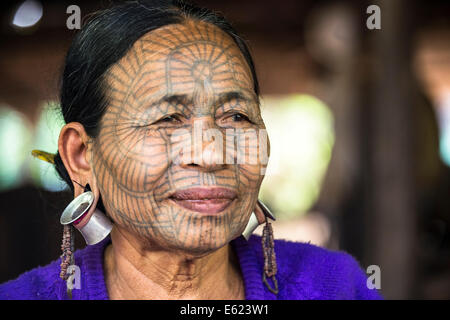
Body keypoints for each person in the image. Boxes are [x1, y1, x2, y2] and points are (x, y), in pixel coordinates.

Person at [0, 0, 382, 300]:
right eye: (166, 120)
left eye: (236, 116)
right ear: (82, 156)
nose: (213, 155)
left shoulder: (332, 287)